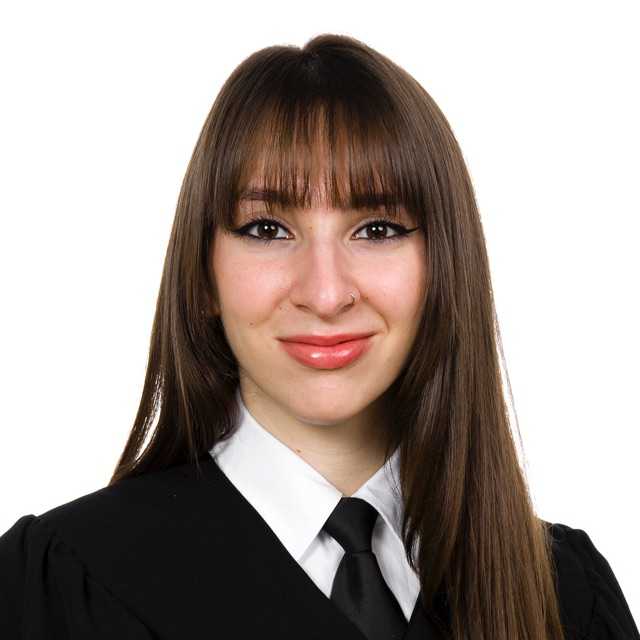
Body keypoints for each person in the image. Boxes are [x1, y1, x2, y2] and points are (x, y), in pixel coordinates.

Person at [0, 33, 638, 640]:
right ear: (203, 273)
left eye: (378, 229)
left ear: (444, 267)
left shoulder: (563, 596)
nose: (326, 293)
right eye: (267, 230)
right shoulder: (66, 585)